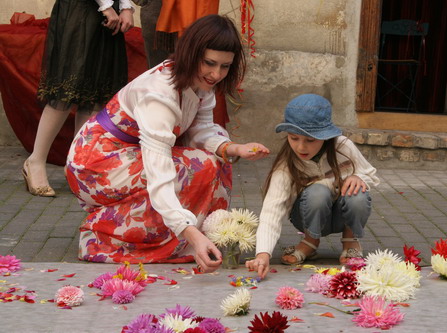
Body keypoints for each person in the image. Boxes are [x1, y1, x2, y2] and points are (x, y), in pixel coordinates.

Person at [65, 15, 270, 273]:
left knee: (217, 160)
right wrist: (190, 233)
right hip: (95, 161)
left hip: (129, 155)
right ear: (191, 53)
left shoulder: (200, 81)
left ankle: (195, 237)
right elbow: (159, 171)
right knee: (198, 165)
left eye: (225, 66)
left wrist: (233, 149)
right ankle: (108, 237)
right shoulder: (158, 94)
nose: (216, 74)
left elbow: (201, 128)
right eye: (209, 63)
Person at [245, 94, 379, 279]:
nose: (301, 147)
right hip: (307, 215)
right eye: (294, 138)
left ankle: (350, 242)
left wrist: (358, 177)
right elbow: (272, 210)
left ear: (326, 136)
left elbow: (370, 173)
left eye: (310, 140)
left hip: (342, 214)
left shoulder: (343, 146)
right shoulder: (286, 164)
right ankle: (310, 242)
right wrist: (262, 253)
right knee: (317, 192)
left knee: (358, 195)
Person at [22, 0, 134, 197]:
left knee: (95, 94)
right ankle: (35, 161)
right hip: (80, 9)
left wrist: (125, 6)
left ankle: (76, 166)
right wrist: (106, 6)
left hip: (108, 13)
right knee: (66, 90)